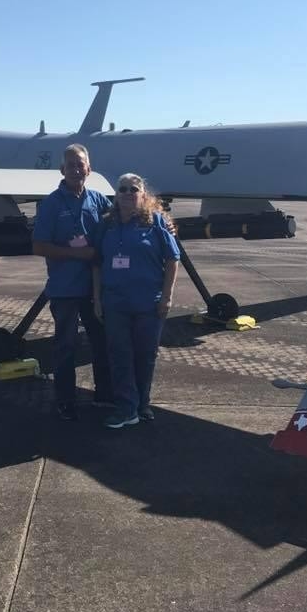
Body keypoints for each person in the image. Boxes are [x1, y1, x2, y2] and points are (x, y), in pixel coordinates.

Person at [32, 144, 114, 420]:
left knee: (101, 342)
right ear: (62, 170)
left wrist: (162, 220)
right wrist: (76, 253)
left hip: (94, 289)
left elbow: (125, 217)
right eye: (71, 165)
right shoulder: (51, 204)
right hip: (65, 289)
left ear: (89, 169)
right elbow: (39, 246)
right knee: (65, 346)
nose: (77, 169)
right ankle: (65, 399)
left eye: (81, 164)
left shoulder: (98, 200)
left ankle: (104, 395)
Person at [92, 173, 180, 428]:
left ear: (143, 195)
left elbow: (173, 259)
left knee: (145, 355)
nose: (128, 193)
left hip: (148, 304)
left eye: (134, 189)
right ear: (116, 196)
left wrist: (167, 297)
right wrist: (97, 298)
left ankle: (142, 404)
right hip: (115, 303)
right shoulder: (106, 225)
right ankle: (127, 408)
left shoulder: (156, 223)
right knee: (120, 355)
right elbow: (97, 263)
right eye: (123, 189)